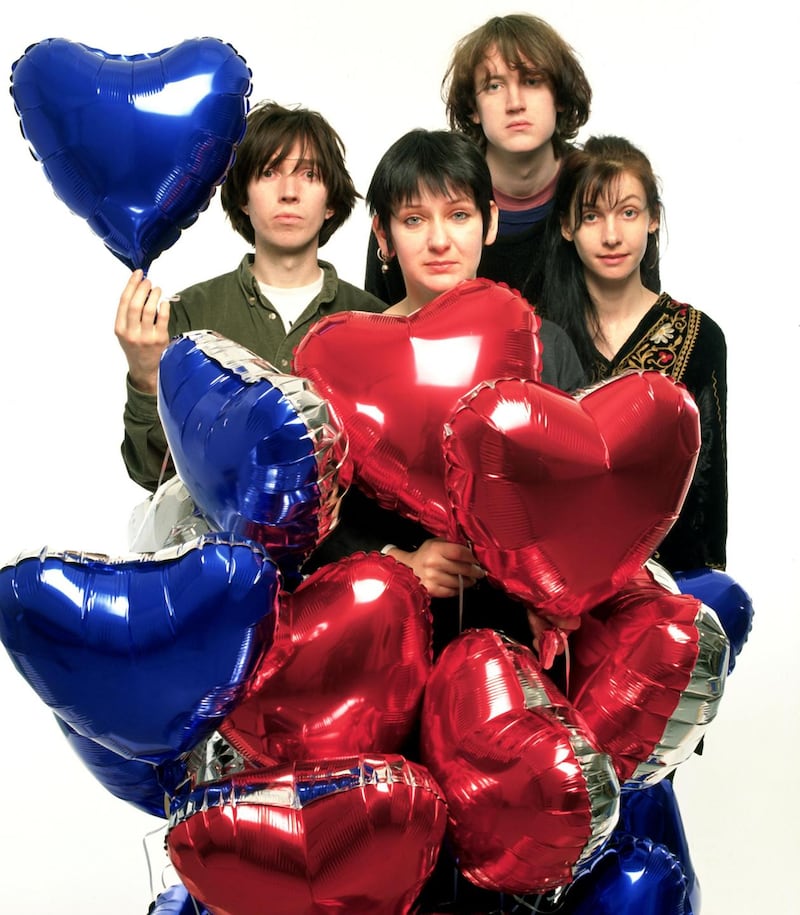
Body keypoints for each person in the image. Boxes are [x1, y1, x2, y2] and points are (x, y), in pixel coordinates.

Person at [364, 14, 656, 391]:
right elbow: (379, 331)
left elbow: (639, 318)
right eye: (494, 85)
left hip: (573, 401)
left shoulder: (601, 199)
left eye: (532, 81)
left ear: (560, 97)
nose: (515, 103)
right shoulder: (425, 195)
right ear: (473, 106)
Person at [115, 100, 386, 493]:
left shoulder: (373, 320)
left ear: (331, 202)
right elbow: (151, 474)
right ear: (243, 196)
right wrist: (144, 375)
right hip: (226, 551)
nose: (289, 192)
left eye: (309, 174)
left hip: (344, 553)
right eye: (269, 172)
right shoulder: (190, 315)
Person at [537, 135, 727, 573]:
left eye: (628, 212)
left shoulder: (698, 335)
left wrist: (705, 598)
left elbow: (708, 483)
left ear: (652, 219)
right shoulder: (537, 333)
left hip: (666, 586)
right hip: (557, 584)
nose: (611, 235)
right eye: (591, 216)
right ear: (566, 226)